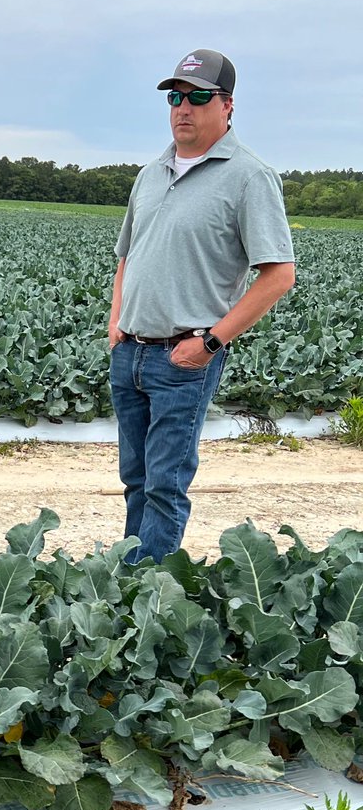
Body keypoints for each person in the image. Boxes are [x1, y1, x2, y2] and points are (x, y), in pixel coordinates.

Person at [108, 48, 295, 563]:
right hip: (131, 355)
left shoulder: (249, 176)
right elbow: (127, 255)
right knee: (135, 481)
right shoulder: (151, 172)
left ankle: (147, 598)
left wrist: (211, 341)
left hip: (183, 359)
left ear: (227, 105)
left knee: (165, 485)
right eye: (175, 96)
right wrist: (116, 322)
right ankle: (130, 580)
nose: (183, 107)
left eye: (198, 97)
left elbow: (279, 275)